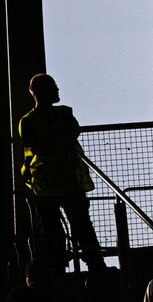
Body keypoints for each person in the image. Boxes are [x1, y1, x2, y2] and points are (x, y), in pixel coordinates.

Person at [18, 73, 106, 273]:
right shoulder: (63, 115)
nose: (58, 90)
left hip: (47, 185)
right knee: (80, 226)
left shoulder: (29, 121)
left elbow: (34, 148)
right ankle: (95, 266)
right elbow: (70, 133)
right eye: (54, 86)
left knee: (56, 229)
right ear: (42, 91)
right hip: (66, 181)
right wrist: (62, 142)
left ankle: (60, 268)